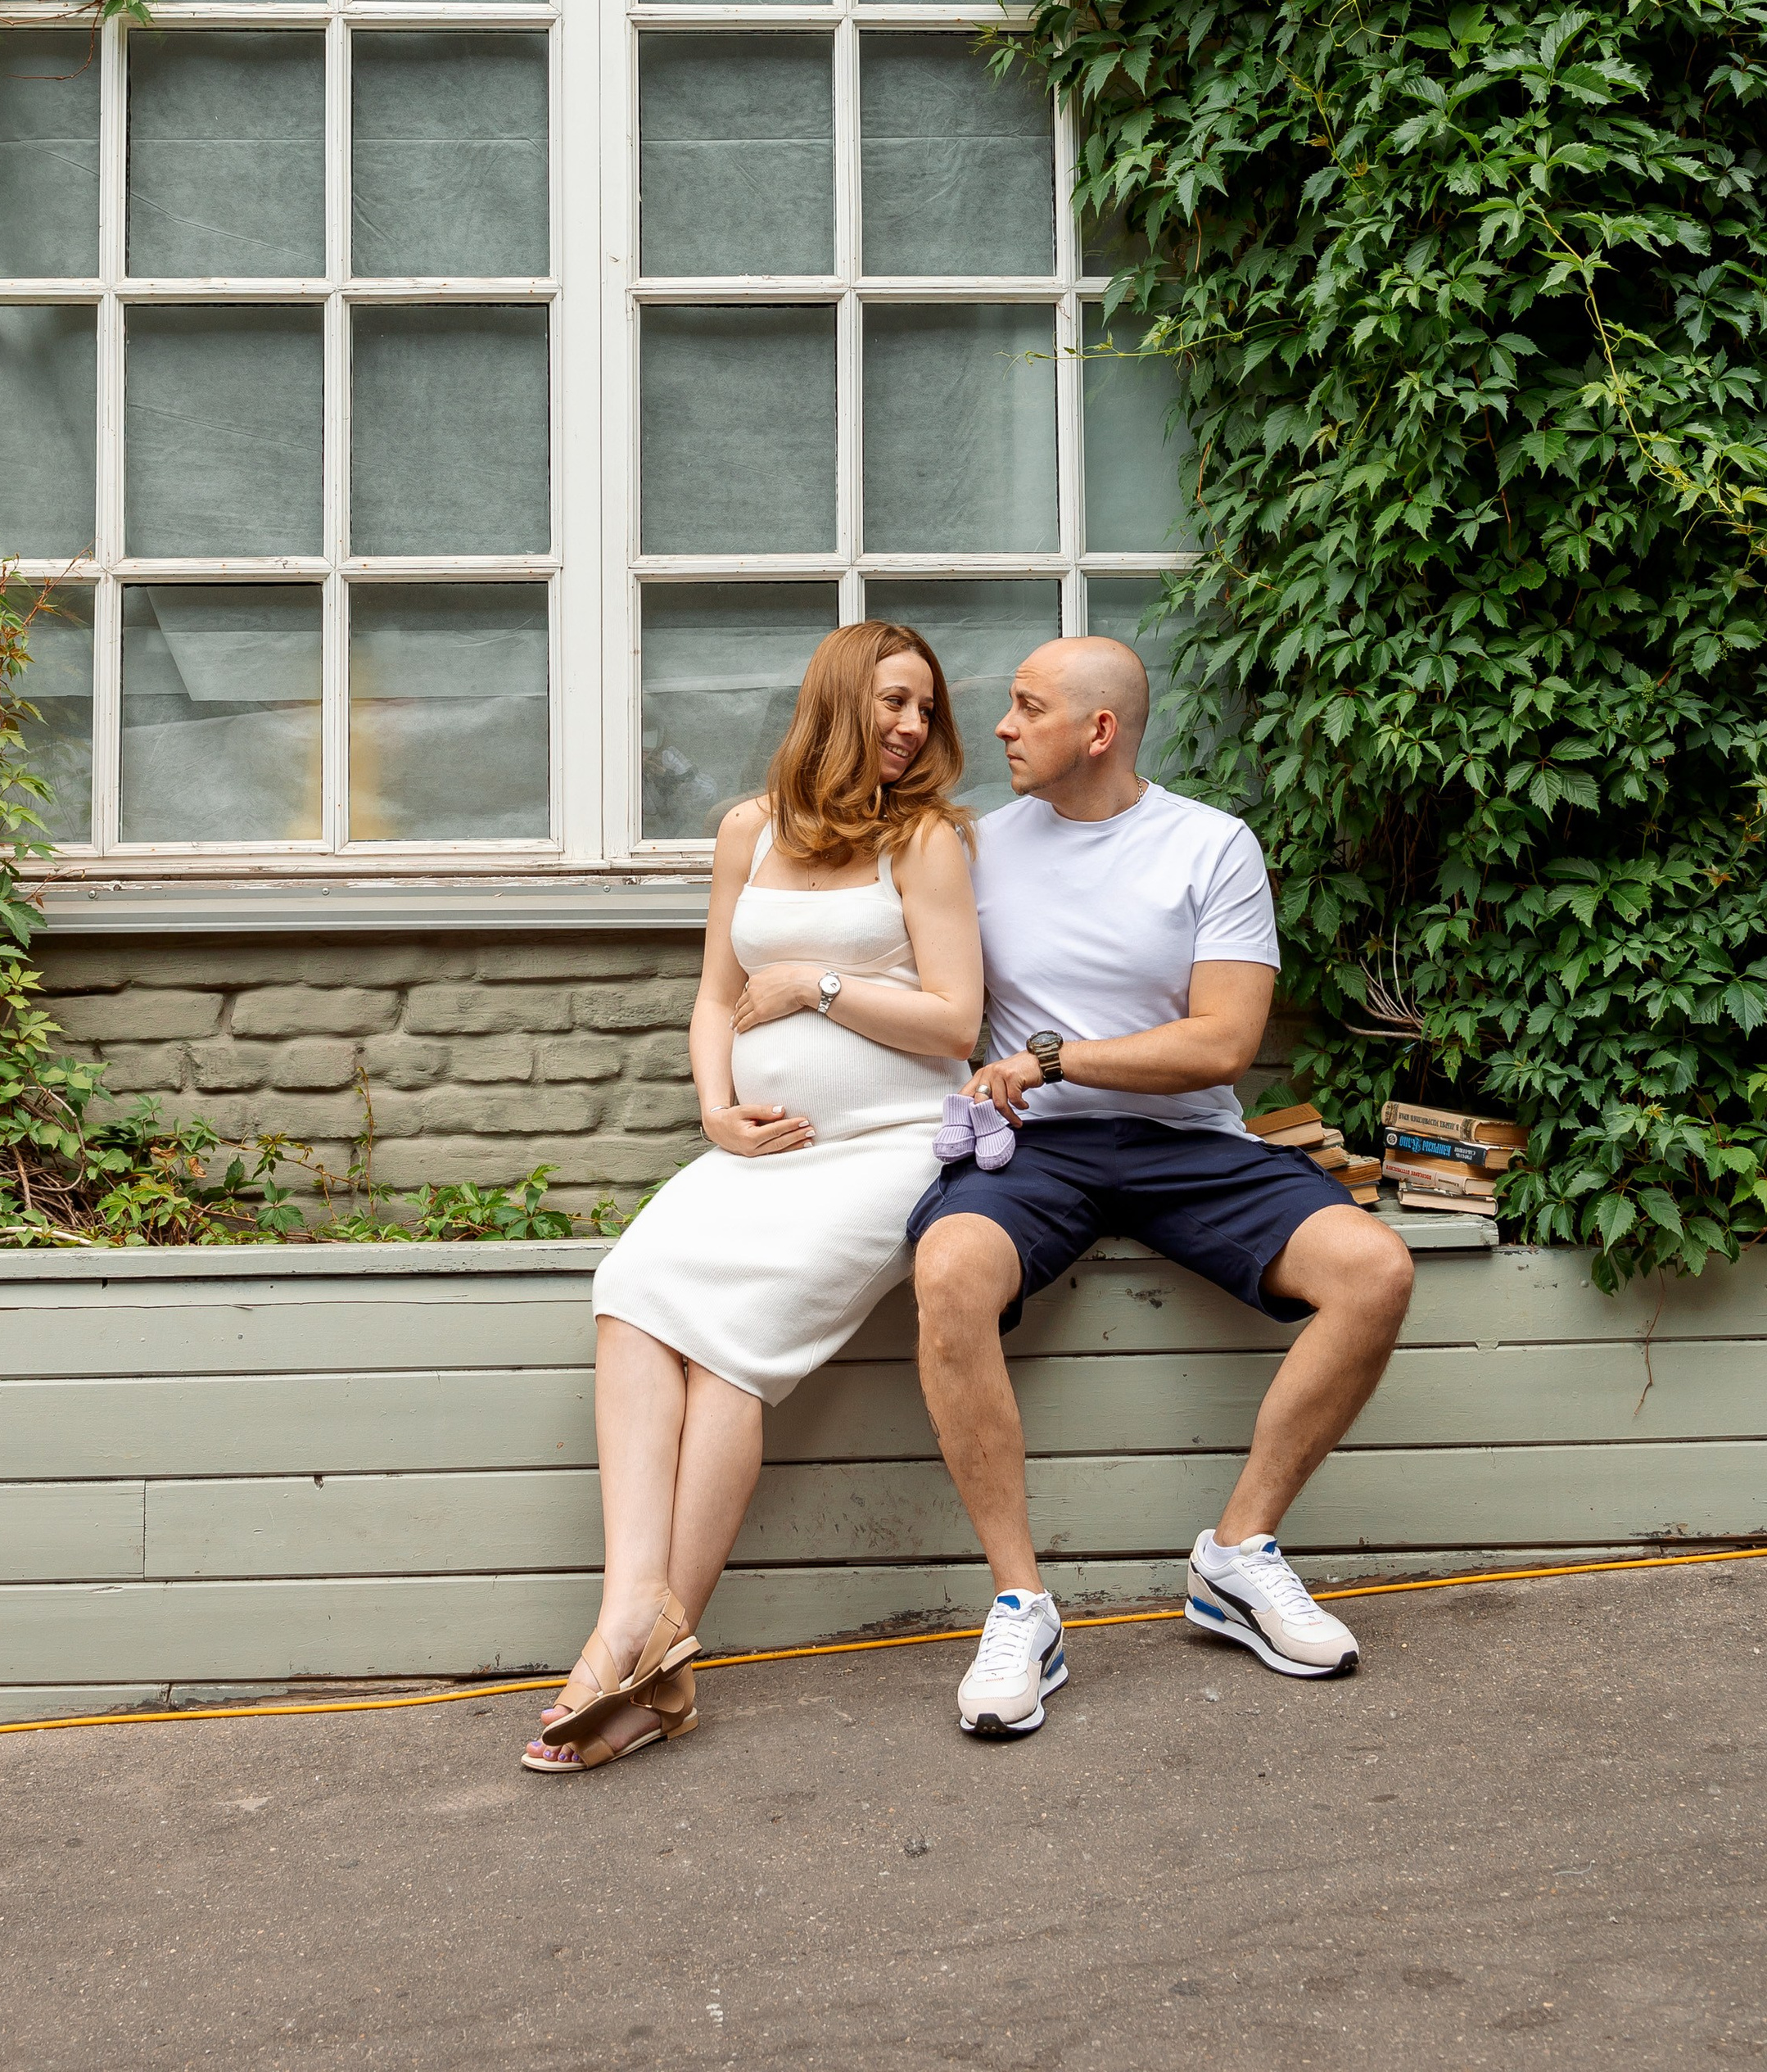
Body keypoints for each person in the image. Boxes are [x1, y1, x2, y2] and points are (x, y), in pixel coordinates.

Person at [907, 636, 1416, 1737]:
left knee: (1373, 1269)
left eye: (1027, 706)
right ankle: (1021, 1607)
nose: (1001, 726)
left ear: (1099, 730)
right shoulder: (976, 847)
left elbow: (1223, 1043)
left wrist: (1055, 1058)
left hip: (1186, 1141)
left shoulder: (1209, 845)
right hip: (1036, 1151)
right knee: (947, 1269)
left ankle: (1237, 1556)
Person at [522, 620, 983, 1772]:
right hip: (760, 1153)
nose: (911, 726)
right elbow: (712, 1001)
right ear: (837, 699)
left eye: (925, 709)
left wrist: (818, 985)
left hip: (886, 1149)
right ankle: (641, 1620)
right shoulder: (749, 830)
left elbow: (956, 1022)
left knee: (729, 1347)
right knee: (633, 1287)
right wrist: (716, 1108)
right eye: (891, 701)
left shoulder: (925, 840)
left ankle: (634, 1660)